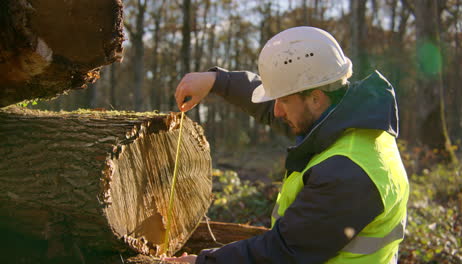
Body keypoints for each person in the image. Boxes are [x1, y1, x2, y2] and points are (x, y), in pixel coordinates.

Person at [165, 27, 409, 264]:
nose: (277, 110)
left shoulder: (348, 174)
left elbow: (283, 252)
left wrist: (203, 261)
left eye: (283, 100)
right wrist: (217, 80)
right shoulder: (345, 120)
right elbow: (272, 108)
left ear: (315, 98)